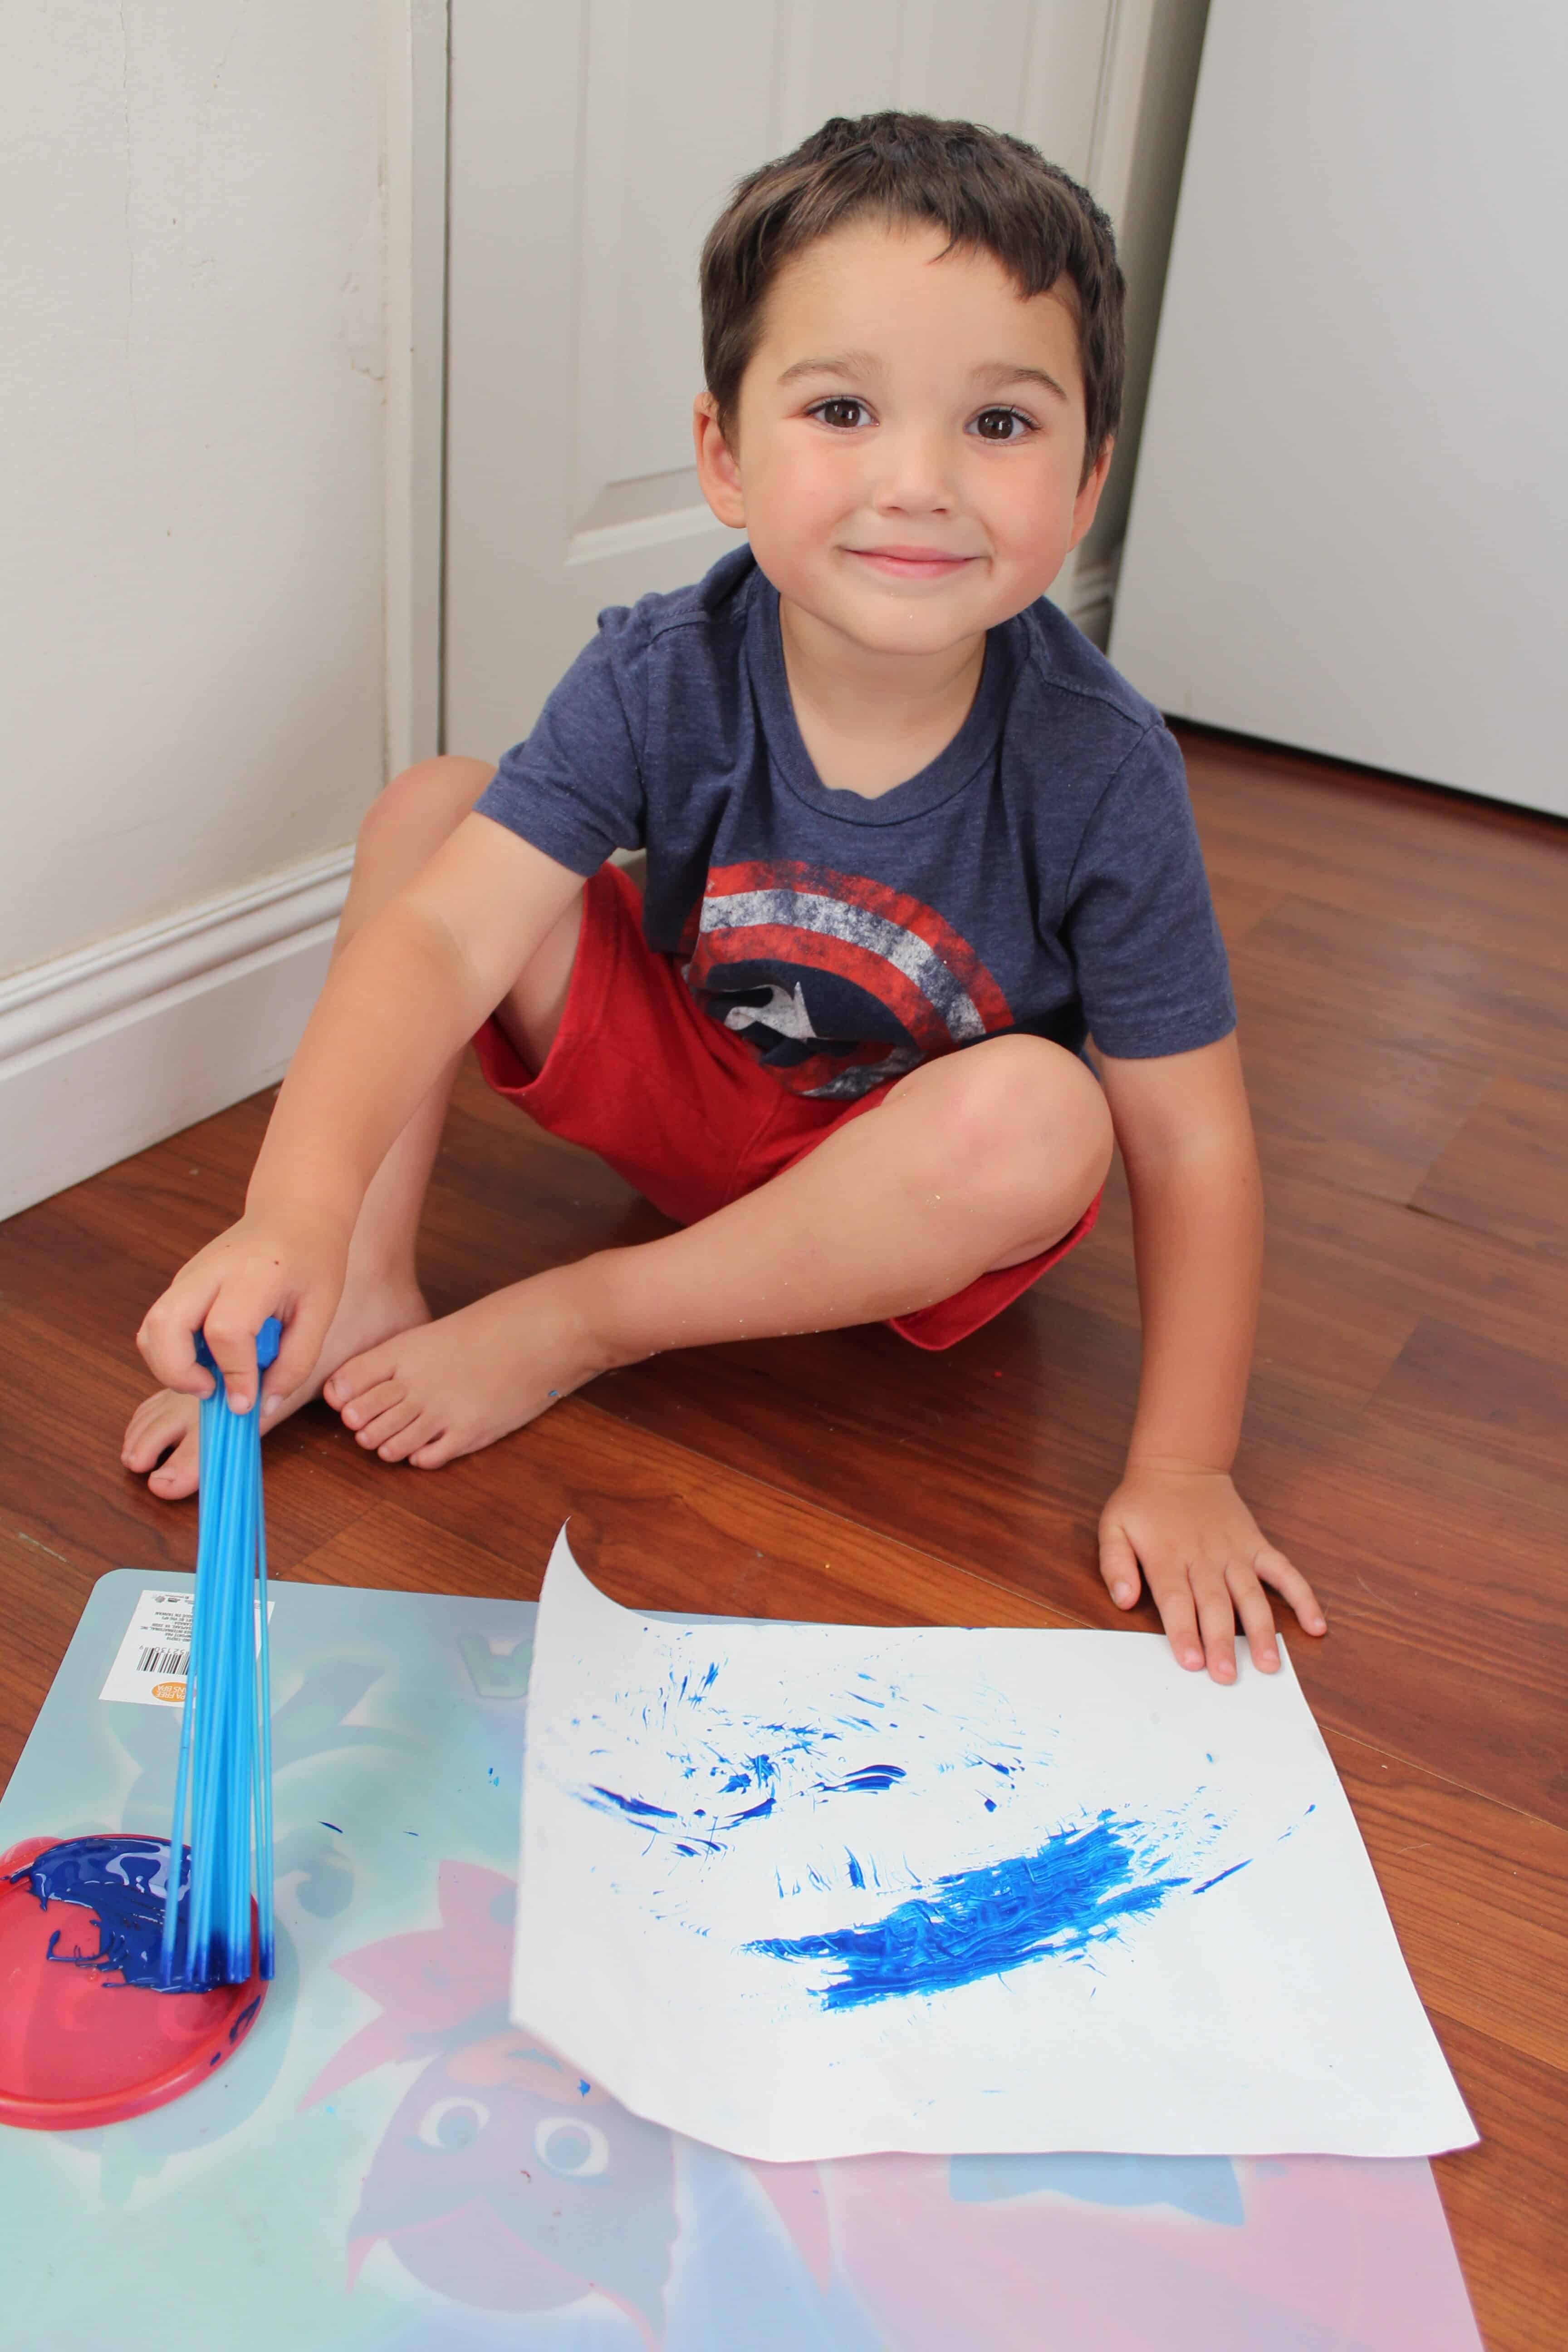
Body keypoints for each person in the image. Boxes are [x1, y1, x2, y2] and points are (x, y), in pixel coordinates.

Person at [125, 112, 1326, 1684]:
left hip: (900, 1207)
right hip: (698, 1102)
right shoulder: (660, 671)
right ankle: (359, 1290)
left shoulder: (1103, 765)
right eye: (842, 407)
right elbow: (442, 940)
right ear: (721, 456)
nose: (920, 482)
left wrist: (1181, 1467)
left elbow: (1190, 1135)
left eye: (1003, 426)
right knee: (435, 819)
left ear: (1089, 481)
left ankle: (585, 1319)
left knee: (1053, 1112)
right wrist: (292, 1217)